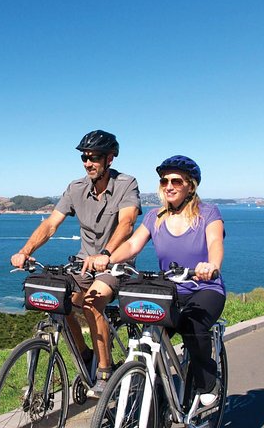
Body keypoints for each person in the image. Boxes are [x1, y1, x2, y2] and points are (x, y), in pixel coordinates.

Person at [11, 129, 141, 395]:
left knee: (92, 302)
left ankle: (105, 372)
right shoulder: (76, 188)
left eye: (94, 158)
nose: (88, 163)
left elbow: (127, 224)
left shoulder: (127, 184)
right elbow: (50, 225)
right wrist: (25, 250)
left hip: (115, 265)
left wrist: (106, 254)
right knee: (56, 299)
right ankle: (84, 355)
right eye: (84, 157)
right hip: (83, 264)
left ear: (110, 159)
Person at [89, 155, 225, 406]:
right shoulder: (155, 216)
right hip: (169, 291)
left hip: (204, 287)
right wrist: (107, 259)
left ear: (190, 185)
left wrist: (211, 266)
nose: (169, 186)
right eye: (164, 181)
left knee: (192, 326)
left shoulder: (208, 213)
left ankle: (208, 382)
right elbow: (132, 244)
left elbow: (215, 241)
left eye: (176, 181)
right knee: (149, 336)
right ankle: (158, 397)